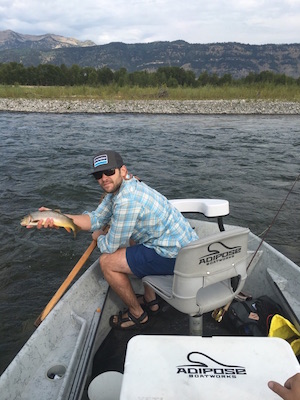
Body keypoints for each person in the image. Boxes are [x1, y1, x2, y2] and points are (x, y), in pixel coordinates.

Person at [33, 150, 198, 330]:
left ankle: (138, 314)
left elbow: (110, 247)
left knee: (107, 262)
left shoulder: (126, 200)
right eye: (98, 175)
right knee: (134, 240)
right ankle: (151, 301)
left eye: (109, 172)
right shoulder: (125, 186)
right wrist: (58, 217)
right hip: (181, 246)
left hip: (179, 258)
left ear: (122, 170)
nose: (104, 178)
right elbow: (95, 218)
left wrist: (99, 236)